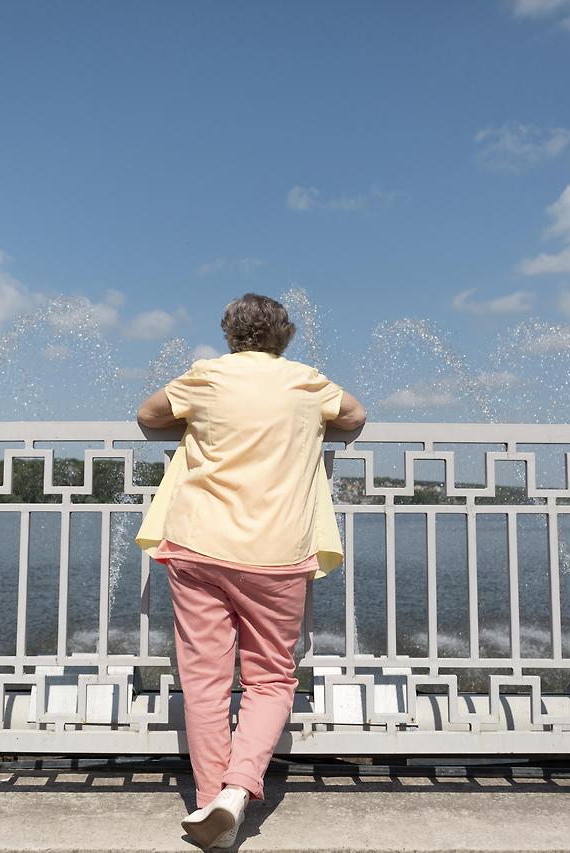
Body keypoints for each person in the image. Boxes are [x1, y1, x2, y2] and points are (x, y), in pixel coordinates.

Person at [135, 293, 366, 849]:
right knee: (271, 678)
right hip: (277, 552)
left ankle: (210, 801)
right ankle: (238, 791)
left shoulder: (205, 377)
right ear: (285, 336)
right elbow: (355, 417)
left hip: (198, 544)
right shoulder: (306, 382)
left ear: (230, 335)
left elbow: (148, 416)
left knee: (204, 680)